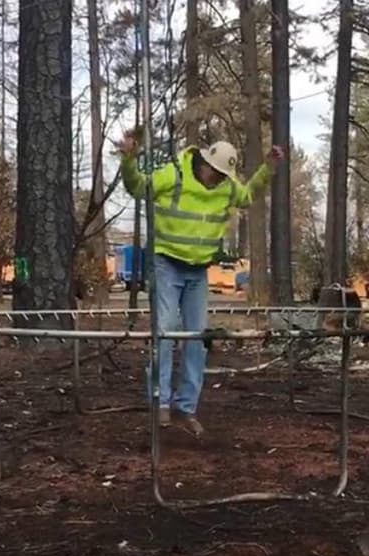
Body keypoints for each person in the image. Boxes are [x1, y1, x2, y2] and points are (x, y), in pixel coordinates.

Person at [115, 128, 283, 436]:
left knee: (198, 337)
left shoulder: (227, 187)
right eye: (215, 173)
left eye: (223, 176)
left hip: (197, 271)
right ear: (204, 164)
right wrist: (129, 160)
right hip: (166, 263)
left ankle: (186, 408)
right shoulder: (175, 175)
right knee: (165, 330)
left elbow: (248, 196)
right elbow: (138, 187)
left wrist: (267, 168)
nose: (217, 179)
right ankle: (161, 402)